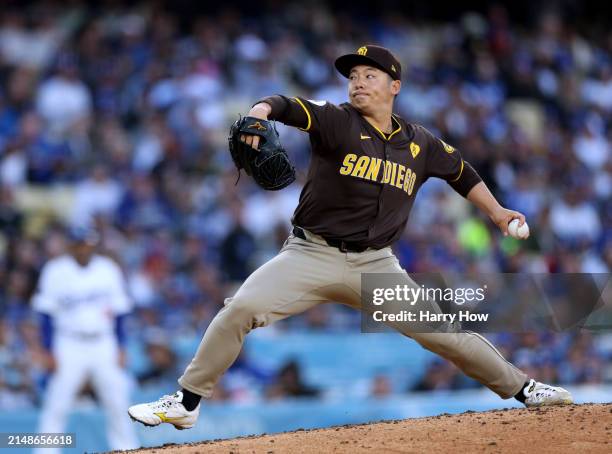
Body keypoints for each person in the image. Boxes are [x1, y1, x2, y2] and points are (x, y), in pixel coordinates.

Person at [128, 45, 572, 430]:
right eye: (353, 76)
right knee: (240, 308)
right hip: (310, 254)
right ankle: (185, 404)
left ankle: (525, 388)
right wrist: (259, 113)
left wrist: (496, 213)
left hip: (375, 266)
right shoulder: (336, 121)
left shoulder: (419, 143)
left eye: (369, 75)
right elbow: (285, 104)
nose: (358, 83)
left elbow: (461, 172)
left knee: (444, 333)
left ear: (394, 85)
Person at [33, 226, 138, 451]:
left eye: (89, 244)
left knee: (117, 402)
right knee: (57, 404)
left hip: (103, 342)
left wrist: (121, 346)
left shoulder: (107, 269)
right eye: (80, 244)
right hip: (68, 343)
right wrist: (48, 349)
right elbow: (45, 314)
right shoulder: (55, 270)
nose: (85, 249)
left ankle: (126, 449)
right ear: (71, 246)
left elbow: (120, 311)